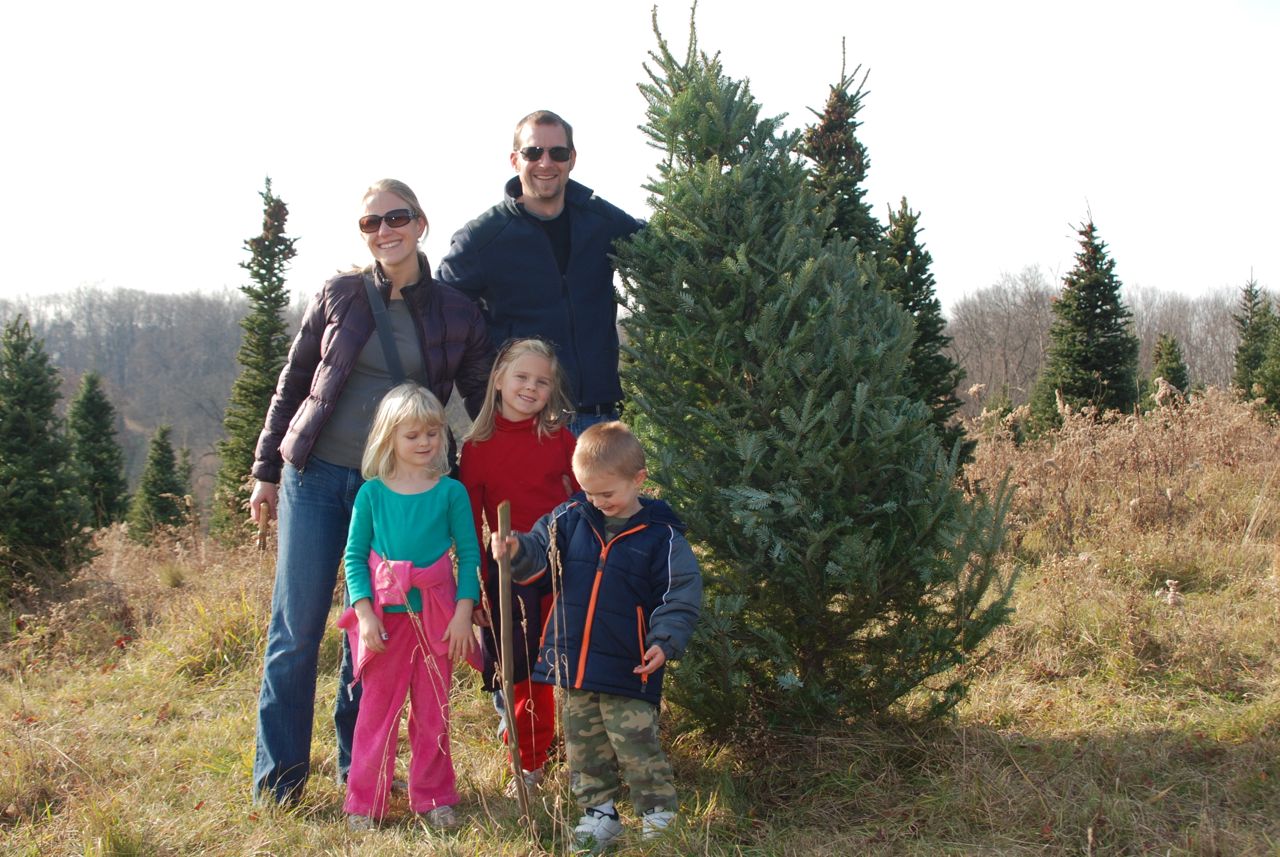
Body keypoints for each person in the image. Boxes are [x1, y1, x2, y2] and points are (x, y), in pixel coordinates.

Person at [249, 179, 491, 806]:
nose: (385, 230)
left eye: (397, 217)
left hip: (396, 487)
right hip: (319, 476)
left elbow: (483, 401)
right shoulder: (339, 295)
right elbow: (294, 380)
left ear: (420, 222)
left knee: (374, 630)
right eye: (371, 223)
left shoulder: (458, 311)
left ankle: (362, 772)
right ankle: (279, 783)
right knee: (297, 628)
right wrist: (265, 470)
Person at [492, 422, 702, 850]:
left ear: (638, 479)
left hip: (630, 662)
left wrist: (663, 640)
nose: (597, 502)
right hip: (573, 664)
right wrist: (515, 550)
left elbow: (679, 596)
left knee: (636, 743)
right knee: (584, 748)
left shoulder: (662, 539)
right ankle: (599, 815)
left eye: (607, 494)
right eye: (589, 492)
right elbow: (538, 556)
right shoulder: (570, 519)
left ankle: (657, 814)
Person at [436, 110, 643, 435]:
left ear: (572, 159)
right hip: (527, 426)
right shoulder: (483, 238)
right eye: (533, 152)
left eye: (557, 153)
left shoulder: (600, 221)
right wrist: (487, 401)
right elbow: (443, 316)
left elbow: (657, 247)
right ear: (515, 159)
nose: (546, 163)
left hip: (599, 422)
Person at [338, 383, 480, 830]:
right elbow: (354, 556)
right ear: (389, 438)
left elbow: (471, 555)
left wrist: (463, 614)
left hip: (438, 619)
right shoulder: (372, 495)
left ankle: (434, 795)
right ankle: (365, 801)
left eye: (433, 433)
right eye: (412, 435)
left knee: (433, 712)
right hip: (384, 622)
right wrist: (363, 614)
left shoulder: (450, 493)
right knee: (376, 714)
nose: (425, 443)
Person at [458, 338, 578, 795]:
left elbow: (586, 497)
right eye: (522, 377)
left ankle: (571, 749)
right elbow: (468, 526)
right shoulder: (477, 447)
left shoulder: (559, 439)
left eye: (542, 381)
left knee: (558, 667)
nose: (531, 388)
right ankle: (528, 763)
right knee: (522, 671)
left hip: (562, 566)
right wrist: (471, 593)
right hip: (506, 575)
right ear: (498, 380)